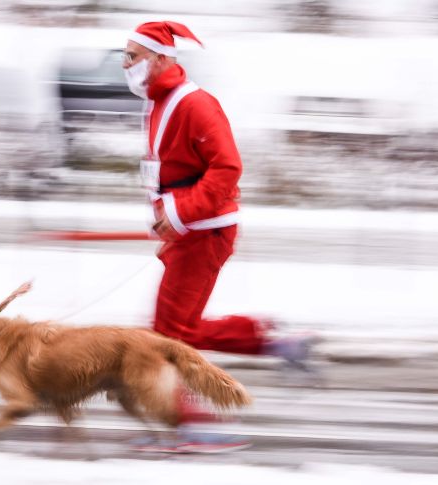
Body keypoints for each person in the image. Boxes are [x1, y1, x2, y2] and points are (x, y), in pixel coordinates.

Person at [122, 21, 318, 452]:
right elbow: (170, 171)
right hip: (188, 233)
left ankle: (195, 425)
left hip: (204, 235)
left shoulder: (195, 104)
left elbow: (227, 169)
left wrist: (179, 212)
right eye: (125, 55)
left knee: (166, 336)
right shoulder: (159, 102)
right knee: (180, 330)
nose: (125, 64)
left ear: (161, 58)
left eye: (133, 56)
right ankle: (275, 340)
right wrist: (166, 216)